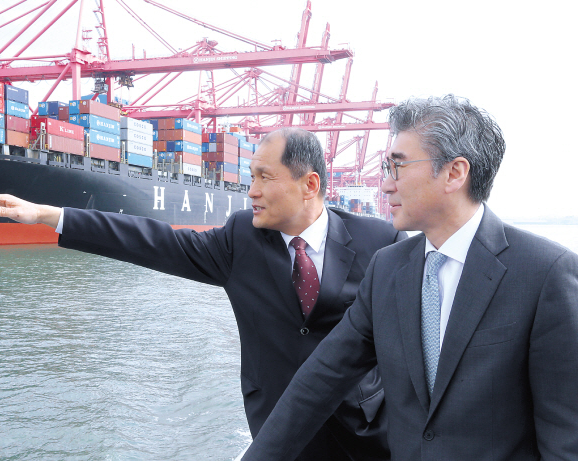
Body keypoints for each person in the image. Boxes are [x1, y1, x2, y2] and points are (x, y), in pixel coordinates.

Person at [0, 127, 406, 461]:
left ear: (309, 185)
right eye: (249, 176)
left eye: (263, 178)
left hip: (362, 438)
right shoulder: (240, 241)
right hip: (275, 439)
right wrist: (47, 214)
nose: (249, 191)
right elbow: (155, 241)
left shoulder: (378, 241)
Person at [241, 96, 578, 461]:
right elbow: (319, 381)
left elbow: (566, 437)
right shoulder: (387, 269)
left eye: (397, 167)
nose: (386, 185)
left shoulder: (546, 274)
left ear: (454, 173)